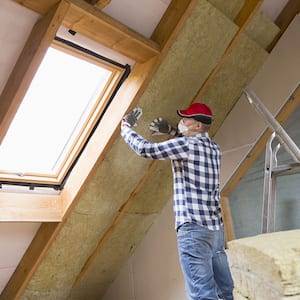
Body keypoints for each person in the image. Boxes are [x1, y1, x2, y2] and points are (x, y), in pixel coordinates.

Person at [120, 103, 234, 300]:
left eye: (186, 119)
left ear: (198, 125)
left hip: (193, 232)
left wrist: (125, 128)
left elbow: (146, 149)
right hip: (215, 232)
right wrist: (172, 131)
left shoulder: (186, 146)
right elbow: (190, 150)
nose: (182, 121)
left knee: (202, 295)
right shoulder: (214, 148)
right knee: (225, 291)